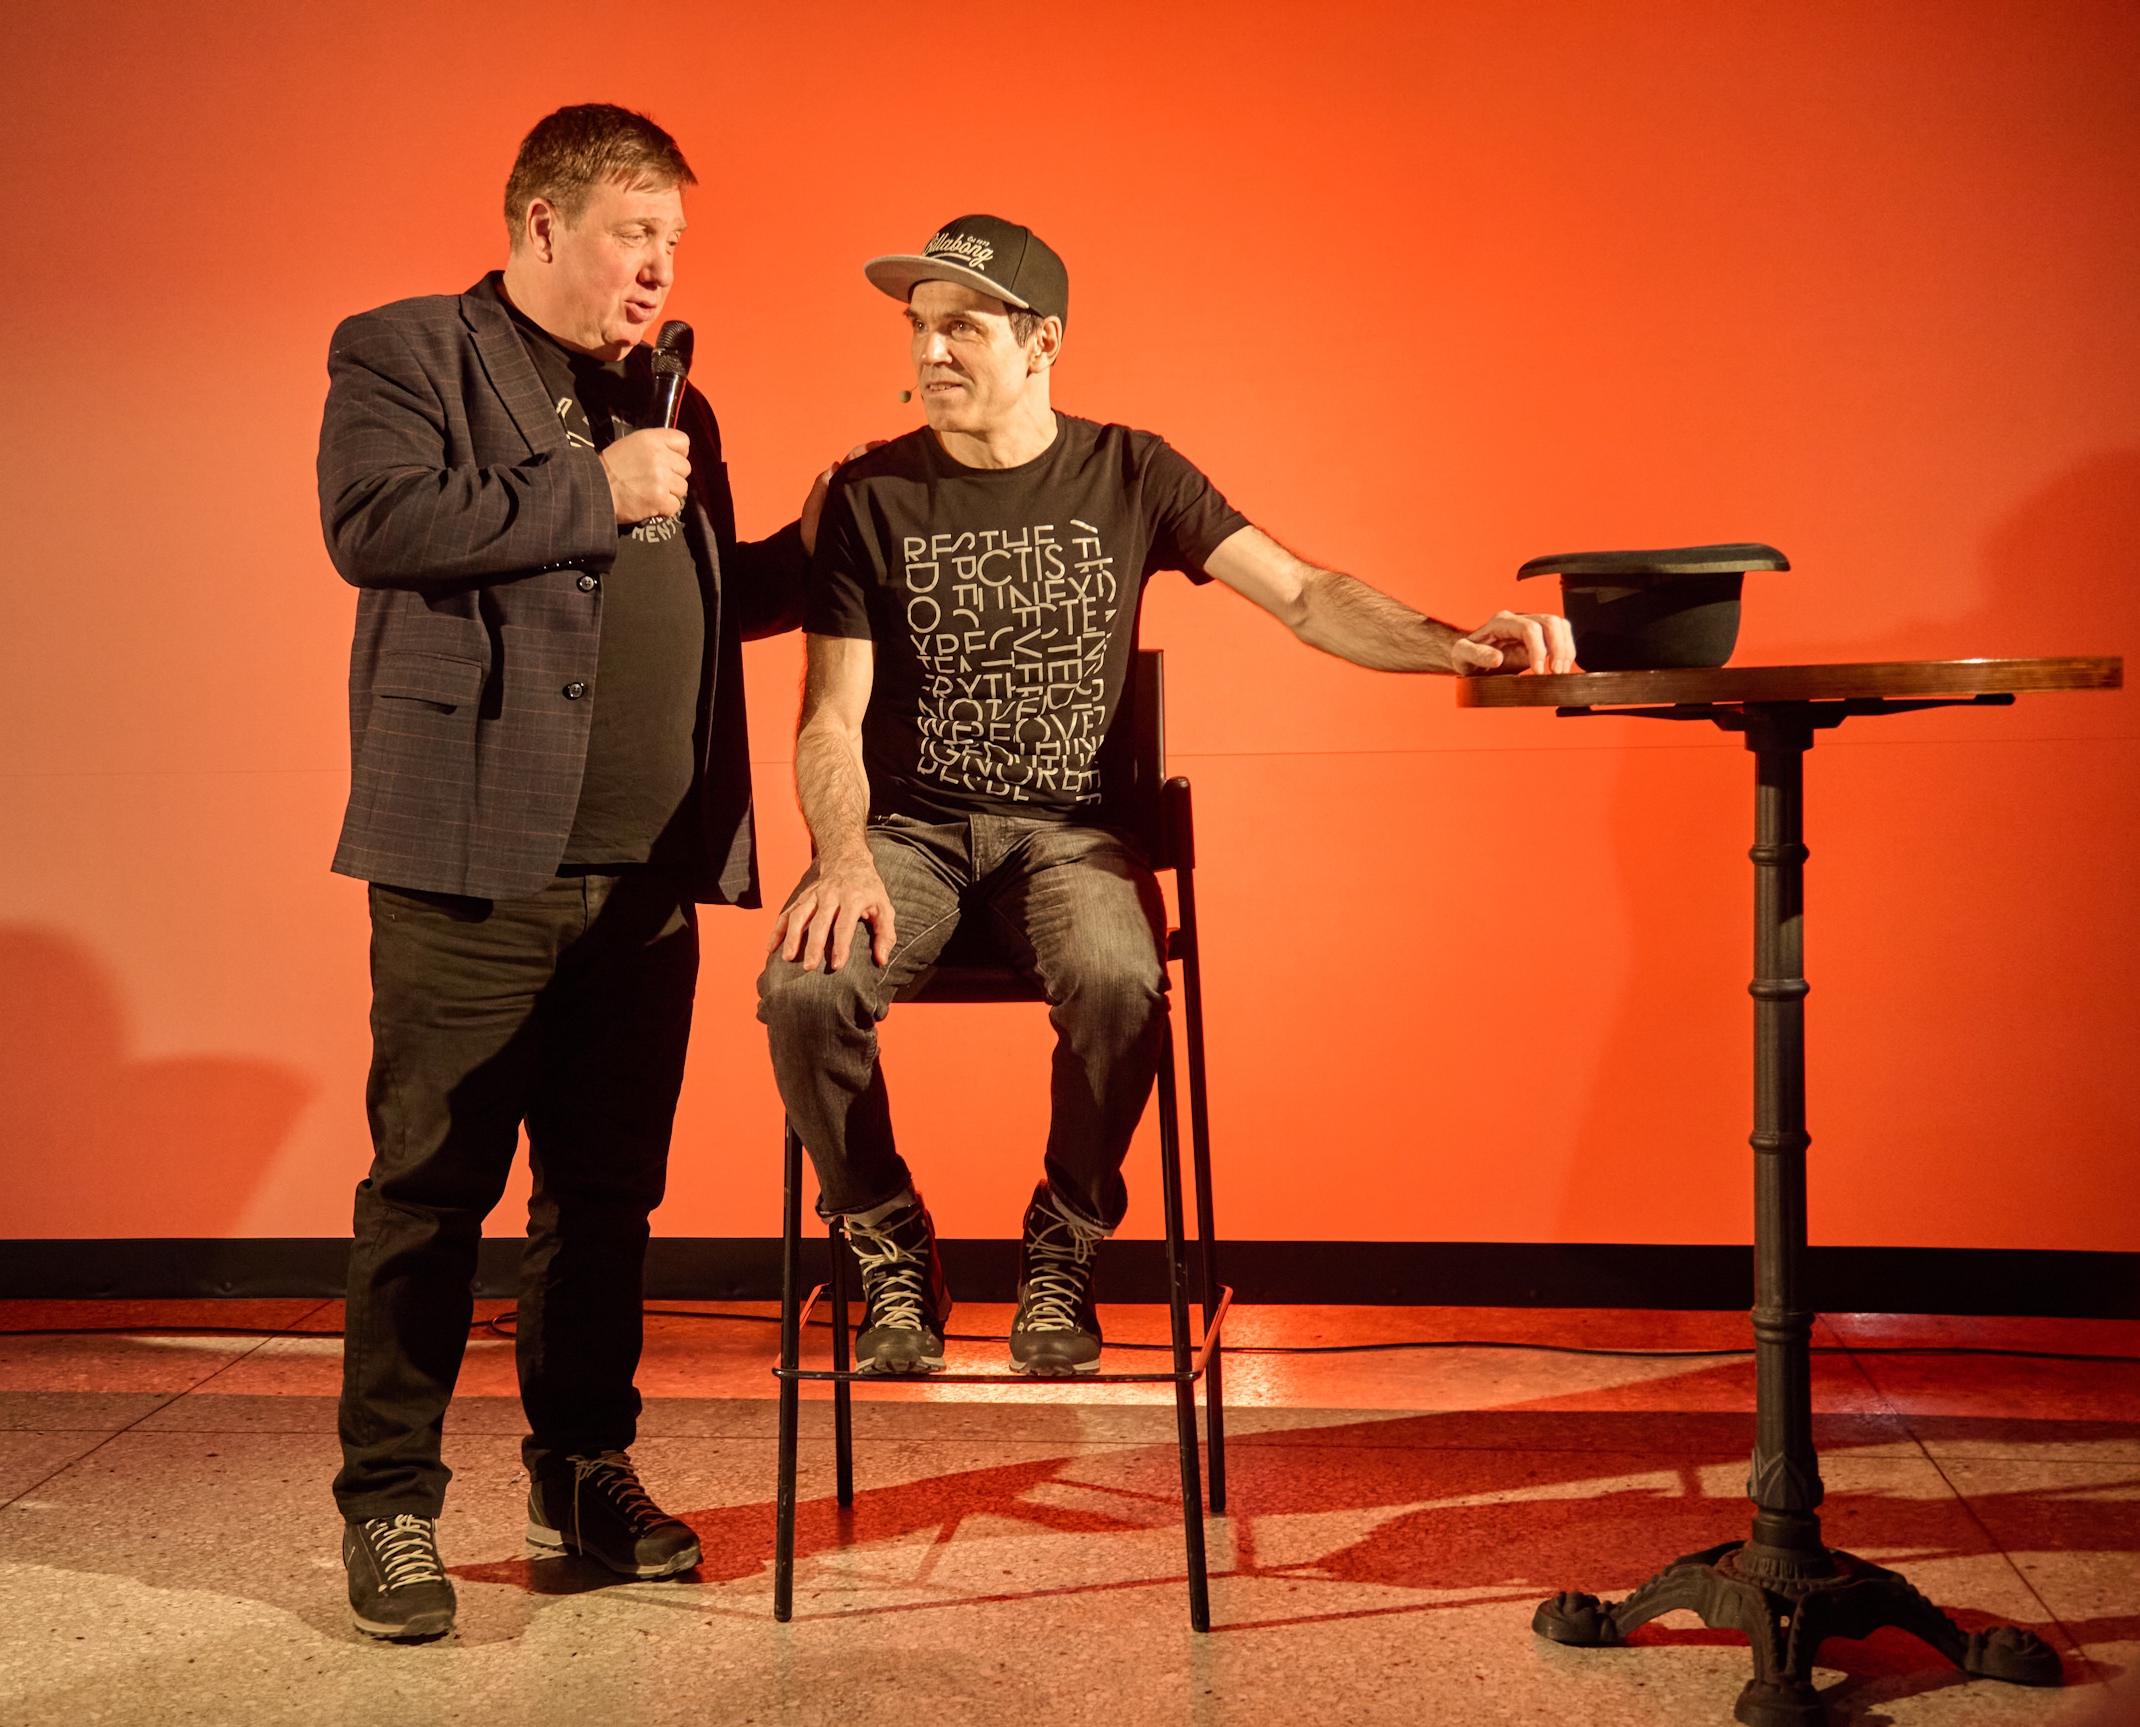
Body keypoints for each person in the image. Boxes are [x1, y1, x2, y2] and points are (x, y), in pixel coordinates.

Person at [758, 214, 1575, 1380]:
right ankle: (890, 1240)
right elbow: (830, 715)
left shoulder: (1132, 473)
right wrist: (841, 856)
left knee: (1117, 977)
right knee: (803, 988)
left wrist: (1453, 644)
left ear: (1042, 341)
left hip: (1068, 837)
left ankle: (1065, 1236)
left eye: (963, 327)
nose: (931, 352)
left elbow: (1302, 594)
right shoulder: (867, 494)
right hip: (911, 835)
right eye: (919, 327)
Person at [319, 104, 841, 1640]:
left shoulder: (673, 399)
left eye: (673, 240)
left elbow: (708, 592)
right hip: (473, 862)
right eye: (635, 233)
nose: (660, 265)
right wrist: (593, 490)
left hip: (646, 876)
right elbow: (373, 522)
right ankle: (391, 1505)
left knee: (606, 1200)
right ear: (542, 222)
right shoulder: (408, 350)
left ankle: (582, 1470)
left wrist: (843, 528)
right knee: (431, 1189)